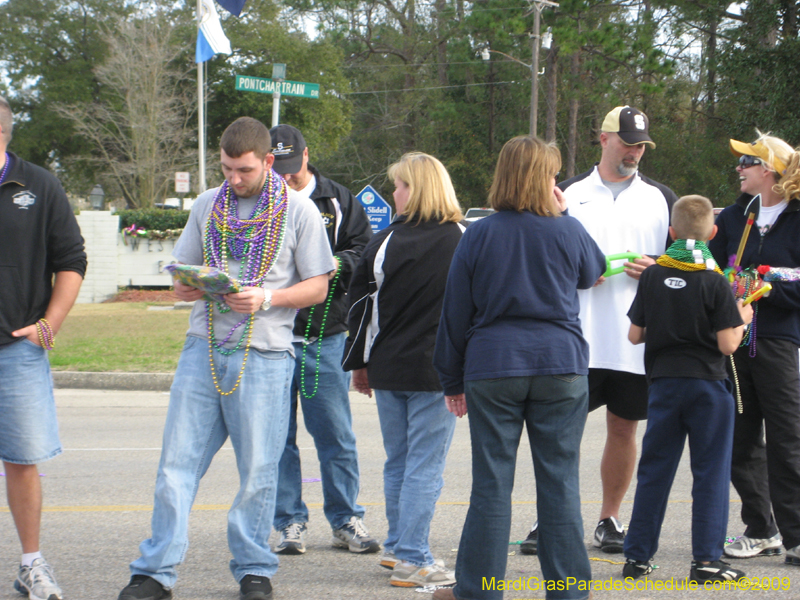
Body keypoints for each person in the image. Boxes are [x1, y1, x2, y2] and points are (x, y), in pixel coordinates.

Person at [117, 117, 334, 600]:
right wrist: (198, 283)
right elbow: (178, 282)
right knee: (176, 465)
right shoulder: (206, 205)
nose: (233, 179)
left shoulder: (298, 210)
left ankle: (255, 568)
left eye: (244, 170)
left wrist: (266, 298)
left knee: (258, 471)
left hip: (265, 355)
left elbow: (319, 286)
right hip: (204, 349)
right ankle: (155, 572)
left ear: (268, 162)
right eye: (226, 169)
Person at [432, 135, 605, 600]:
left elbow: (455, 313)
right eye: (552, 175)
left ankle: (481, 590)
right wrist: (566, 214)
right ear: (545, 181)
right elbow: (594, 271)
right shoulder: (567, 230)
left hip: (493, 365)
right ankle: (568, 592)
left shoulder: (480, 234)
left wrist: (451, 378)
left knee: (491, 485)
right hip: (561, 364)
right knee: (559, 483)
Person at [521, 106, 679, 555]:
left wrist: (658, 269)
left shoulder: (660, 196)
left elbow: (684, 268)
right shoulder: (566, 191)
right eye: (628, 142)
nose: (635, 152)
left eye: (641, 145)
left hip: (633, 341)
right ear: (604, 138)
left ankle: (609, 517)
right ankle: (548, 517)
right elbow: (539, 254)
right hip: (575, 337)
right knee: (559, 434)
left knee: (624, 430)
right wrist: (576, 271)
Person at [342, 153, 464, 588]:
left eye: (399, 185)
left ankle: (398, 546)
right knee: (424, 468)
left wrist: (359, 363)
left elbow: (360, 308)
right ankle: (413, 555)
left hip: (389, 366)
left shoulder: (384, 242)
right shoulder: (462, 239)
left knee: (400, 462)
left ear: (416, 189)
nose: (394, 193)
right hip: (437, 371)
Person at [622, 195, 751, 584]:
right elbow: (728, 344)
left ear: (672, 233)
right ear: (713, 233)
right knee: (710, 472)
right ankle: (706, 561)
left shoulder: (653, 275)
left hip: (663, 384)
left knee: (655, 470)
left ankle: (638, 557)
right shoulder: (715, 281)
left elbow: (634, 334)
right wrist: (742, 318)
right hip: (707, 386)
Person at [268, 124, 378, 555]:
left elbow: (364, 249)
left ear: (307, 156)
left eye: (293, 169)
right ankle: (289, 522)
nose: (287, 179)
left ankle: (346, 518)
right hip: (272, 336)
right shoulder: (262, 201)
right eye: (278, 170)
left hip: (323, 335)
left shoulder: (337, 199)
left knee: (334, 432)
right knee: (278, 437)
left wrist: (332, 263)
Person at [0, 96, 86, 600]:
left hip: (16, 352)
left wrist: (49, 325)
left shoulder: (39, 184)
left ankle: (32, 562)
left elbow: (71, 259)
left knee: (22, 459)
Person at [709, 131, 800, 566]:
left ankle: (796, 536)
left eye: (747, 163)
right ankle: (760, 529)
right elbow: (711, 269)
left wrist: (763, 288)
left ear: (769, 171)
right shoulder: (733, 217)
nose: (739, 169)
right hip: (735, 339)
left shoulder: (798, 217)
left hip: (779, 340)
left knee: (788, 437)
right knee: (740, 438)